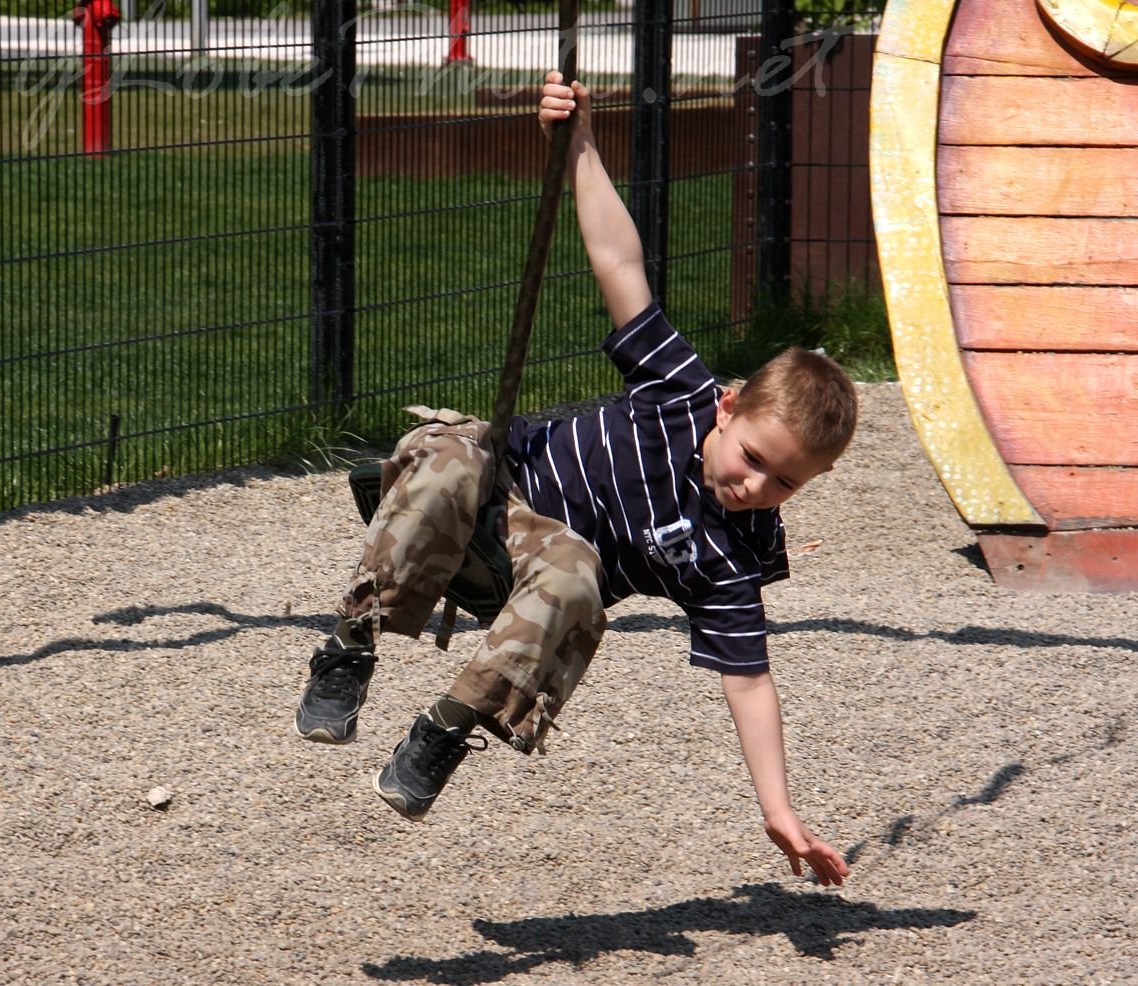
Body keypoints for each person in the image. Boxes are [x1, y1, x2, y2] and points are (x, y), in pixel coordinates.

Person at [293, 71, 857, 888]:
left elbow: (749, 678)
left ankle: (445, 728)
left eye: (785, 485)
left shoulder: (729, 558)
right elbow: (618, 260)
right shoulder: (679, 388)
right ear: (728, 406)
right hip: (481, 499)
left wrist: (778, 807)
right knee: (454, 454)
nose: (756, 487)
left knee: (577, 572)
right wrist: (580, 142)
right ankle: (352, 645)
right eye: (754, 457)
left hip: (530, 585)